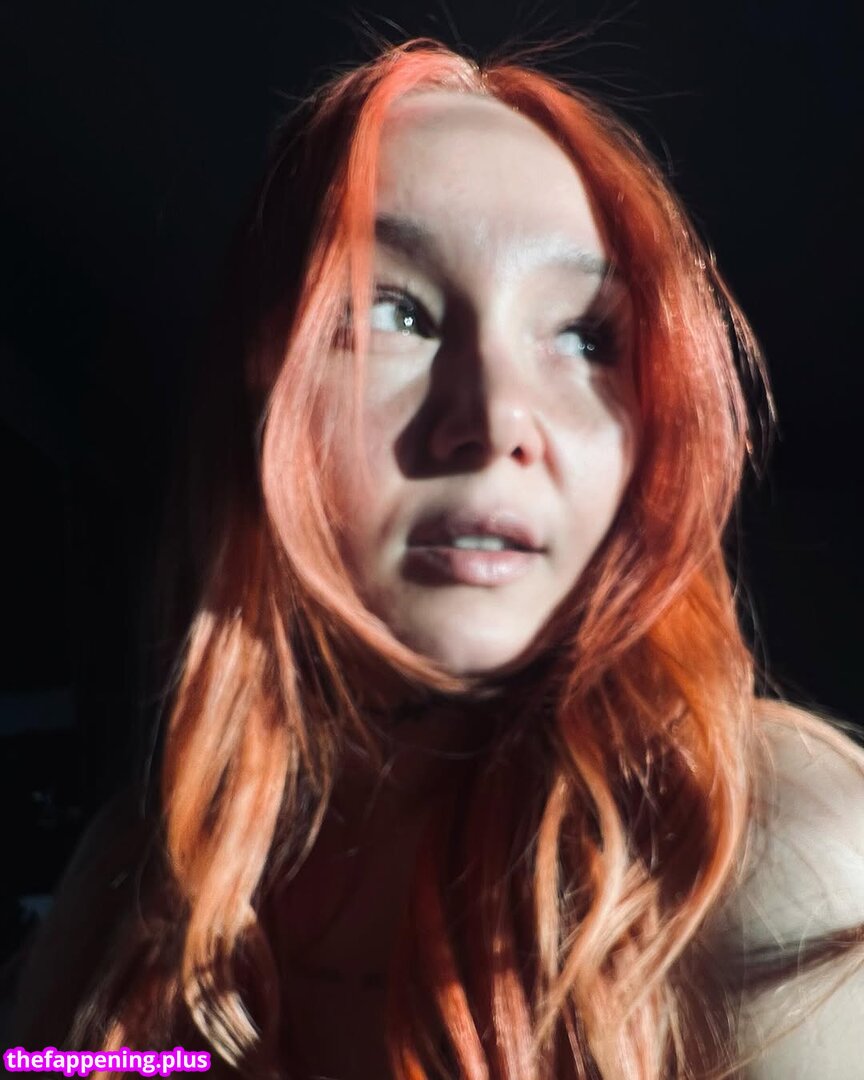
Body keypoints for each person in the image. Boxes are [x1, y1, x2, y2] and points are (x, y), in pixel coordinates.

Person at [8, 36, 864, 1080]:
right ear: (260, 377)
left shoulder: (771, 844)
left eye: (588, 338)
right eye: (393, 313)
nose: (496, 422)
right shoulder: (127, 888)